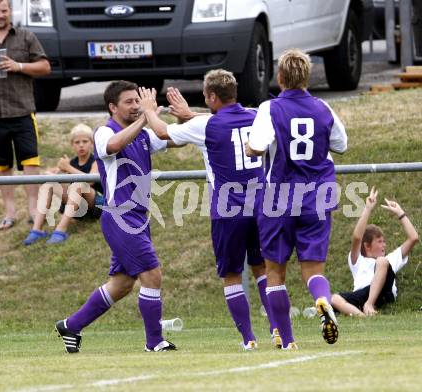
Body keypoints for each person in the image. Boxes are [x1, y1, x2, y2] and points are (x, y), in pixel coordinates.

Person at [139, 69, 279, 350]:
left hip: (228, 208)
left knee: (231, 275)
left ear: (212, 96)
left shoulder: (206, 126)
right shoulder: (256, 117)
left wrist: (148, 110)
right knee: (262, 269)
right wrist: (191, 114)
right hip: (261, 205)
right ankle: (277, 329)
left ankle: (248, 339)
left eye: (206, 96)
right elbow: (218, 119)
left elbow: (162, 131)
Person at [55, 80, 177, 353]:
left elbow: (173, 138)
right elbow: (112, 145)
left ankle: (71, 325)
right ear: (113, 107)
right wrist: (145, 117)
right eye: (129, 102)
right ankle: (155, 342)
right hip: (121, 217)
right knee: (152, 275)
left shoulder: (143, 133)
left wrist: (182, 116)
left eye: (138, 100)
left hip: (138, 217)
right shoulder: (103, 132)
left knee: (121, 285)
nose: (135, 106)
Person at [245, 48, 348, 349]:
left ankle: (288, 340)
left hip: (279, 196)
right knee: (313, 270)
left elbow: (258, 145)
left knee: (274, 270)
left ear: (280, 77)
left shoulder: (270, 108)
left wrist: (252, 149)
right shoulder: (323, 108)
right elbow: (341, 143)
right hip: (317, 196)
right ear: (306, 76)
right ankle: (321, 300)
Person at [0, 0, 51, 230]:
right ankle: (9, 213)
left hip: (22, 111)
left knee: (30, 162)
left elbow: (45, 67)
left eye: (4, 10)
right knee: (2, 165)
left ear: (10, 11)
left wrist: (19, 66)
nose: (0, 15)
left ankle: (33, 210)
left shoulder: (26, 36)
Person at [331, 187, 419, 316]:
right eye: (379, 241)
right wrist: (367, 209)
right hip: (361, 294)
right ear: (367, 246)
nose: (384, 245)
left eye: (384, 241)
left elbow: (414, 238)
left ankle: (369, 305)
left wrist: (400, 213)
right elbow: (357, 237)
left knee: (382, 262)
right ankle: (362, 316)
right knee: (332, 298)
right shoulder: (357, 261)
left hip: (384, 292)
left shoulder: (389, 259)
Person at [23, 123, 104, 245]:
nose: (81, 145)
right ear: (72, 145)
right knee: (49, 183)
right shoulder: (71, 162)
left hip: (96, 205)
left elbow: (90, 180)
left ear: (92, 144)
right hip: (77, 205)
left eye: (85, 141)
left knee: (79, 184)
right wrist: (56, 172)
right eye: (77, 142)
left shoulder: (95, 161)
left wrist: (68, 168)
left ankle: (60, 230)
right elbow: (48, 174)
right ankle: (36, 230)